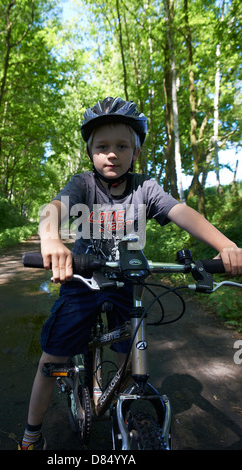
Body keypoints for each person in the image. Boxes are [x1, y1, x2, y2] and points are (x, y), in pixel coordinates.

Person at [19, 97, 242, 450]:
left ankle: (124, 406)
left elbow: (182, 212)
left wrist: (226, 244)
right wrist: (51, 240)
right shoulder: (82, 185)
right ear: (90, 152)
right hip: (82, 280)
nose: (112, 154)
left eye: (122, 146)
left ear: (136, 152)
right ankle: (31, 434)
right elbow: (54, 209)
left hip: (128, 282)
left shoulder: (146, 188)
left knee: (129, 353)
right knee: (54, 355)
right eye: (102, 147)